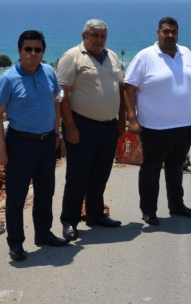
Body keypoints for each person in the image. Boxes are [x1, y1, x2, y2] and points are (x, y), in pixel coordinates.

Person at [0, 30, 68, 262]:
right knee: (16, 197)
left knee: (45, 192)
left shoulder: (48, 72)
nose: (33, 54)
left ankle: (43, 233)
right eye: (28, 49)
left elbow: (56, 101)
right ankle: (16, 244)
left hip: (46, 142)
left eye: (38, 50)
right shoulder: (7, 79)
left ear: (43, 52)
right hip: (20, 144)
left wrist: (56, 132)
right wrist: (1, 149)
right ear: (19, 50)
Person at [124, 17, 191, 226]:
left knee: (176, 166)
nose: (170, 35)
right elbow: (129, 88)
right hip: (155, 127)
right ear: (158, 32)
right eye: (166, 31)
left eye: (173, 32)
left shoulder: (187, 53)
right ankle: (149, 210)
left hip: (187, 125)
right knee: (151, 168)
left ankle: (177, 205)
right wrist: (131, 117)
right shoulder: (145, 56)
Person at [56, 19, 125, 242]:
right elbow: (62, 94)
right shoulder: (71, 57)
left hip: (108, 126)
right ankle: (69, 221)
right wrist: (70, 127)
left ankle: (95, 215)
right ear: (84, 36)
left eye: (103, 36)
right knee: (77, 176)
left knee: (101, 173)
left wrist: (121, 120)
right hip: (82, 125)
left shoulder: (111, 56)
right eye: (94, 35)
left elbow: (120, 88)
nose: (99, 40)